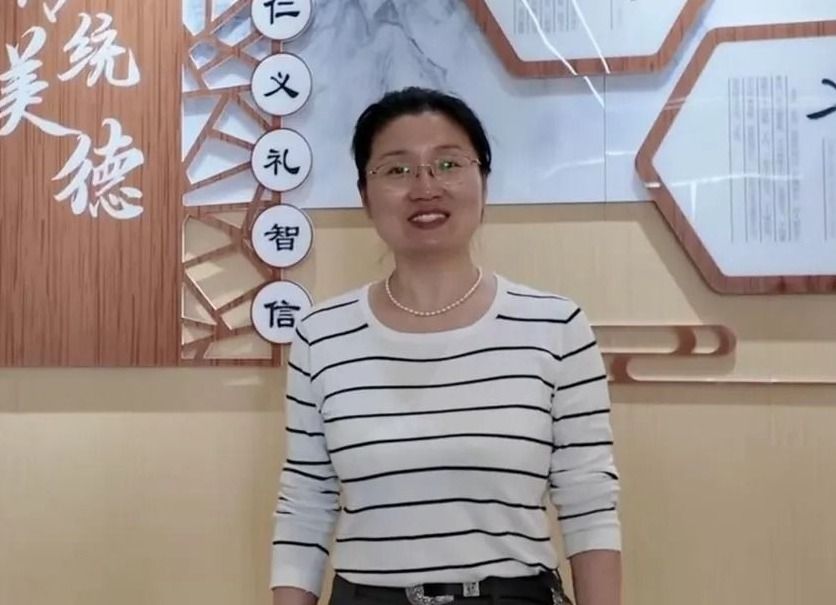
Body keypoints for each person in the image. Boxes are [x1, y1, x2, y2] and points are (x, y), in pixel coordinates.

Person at [270, 87, 622, 605]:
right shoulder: (321, 336)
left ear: (484, 182)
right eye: (397, 169)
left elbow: (588, 500)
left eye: (448, 164)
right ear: (365, 196)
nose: (425, 187)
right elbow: (305, 503)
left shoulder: (555, 326)